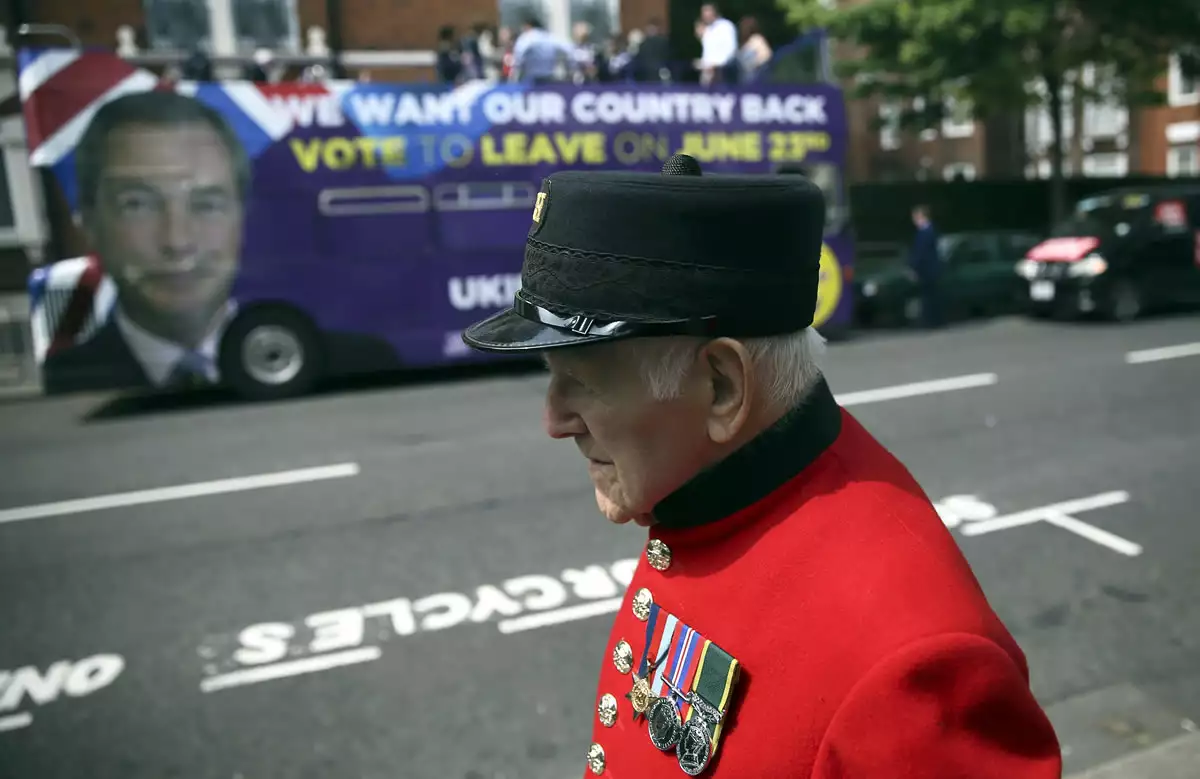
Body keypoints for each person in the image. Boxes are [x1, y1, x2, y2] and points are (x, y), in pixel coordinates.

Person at [461, 154, 1062, 778]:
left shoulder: (915, 668)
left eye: (582, 382)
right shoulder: (710, 489)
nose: (554, 421)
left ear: (722, 387)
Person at [42, 90, 397, 394]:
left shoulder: (375, 351)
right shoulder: (75, 362)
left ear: (242, 216)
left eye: (206, 205)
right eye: (138, 204)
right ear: (87, 220)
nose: (177, 241)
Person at [909, 203, 944, 328]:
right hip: (932, 269)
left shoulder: (925, 232)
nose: (913, 220)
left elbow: (920, 253)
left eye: (915, 217)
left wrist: (913, 267)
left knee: (928, 296)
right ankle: (934, 320)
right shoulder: (931, 230)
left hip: (927, 270)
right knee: (932, 296)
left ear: (921, 216)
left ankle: (930, 322)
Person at [511, 15, 575, 83]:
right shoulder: (550, 36)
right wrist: (570, 67)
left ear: (528, 26)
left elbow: (519, 53)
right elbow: (570, 49)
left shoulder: (527, 37)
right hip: (549, 76)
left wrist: (517, 67)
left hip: (532, 78)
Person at [695, 3, 738, 85]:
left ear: (714, 12)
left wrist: (717, 66)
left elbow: (731, 49)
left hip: (722, 71)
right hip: (707, 72)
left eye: (707, 11)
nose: (705, 15)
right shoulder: (707, 30)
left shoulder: (726, 26)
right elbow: (709, 51)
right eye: (703, 12)